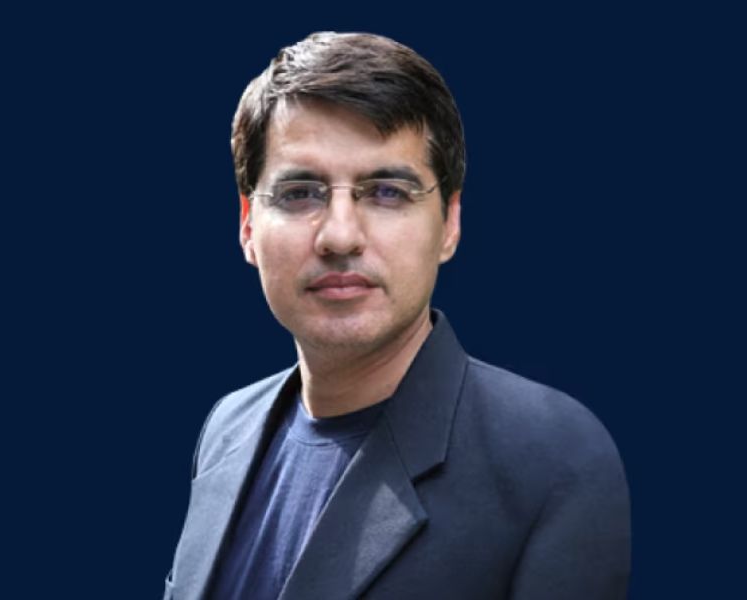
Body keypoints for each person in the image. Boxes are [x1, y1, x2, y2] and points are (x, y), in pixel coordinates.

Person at [163, 32, 630, 600]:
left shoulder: (553, 459)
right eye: (300, 193)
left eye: (386, 192)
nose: (340, 236)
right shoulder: (226, 429)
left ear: (450, 223)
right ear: (246, 225)